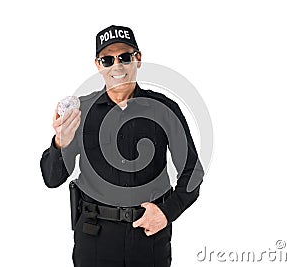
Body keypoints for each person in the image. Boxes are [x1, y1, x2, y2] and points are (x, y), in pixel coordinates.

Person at [40, 25, 204, 267]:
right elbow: (52, 179)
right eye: (107, 59)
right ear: (98, 65)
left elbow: (193, 173)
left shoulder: (165, 109)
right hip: (95, 240)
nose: (117, 66)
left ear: (138, 59)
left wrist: (166, 213)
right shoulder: (80, 112)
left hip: (149, 239)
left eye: (124, 57)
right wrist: (60, 143)